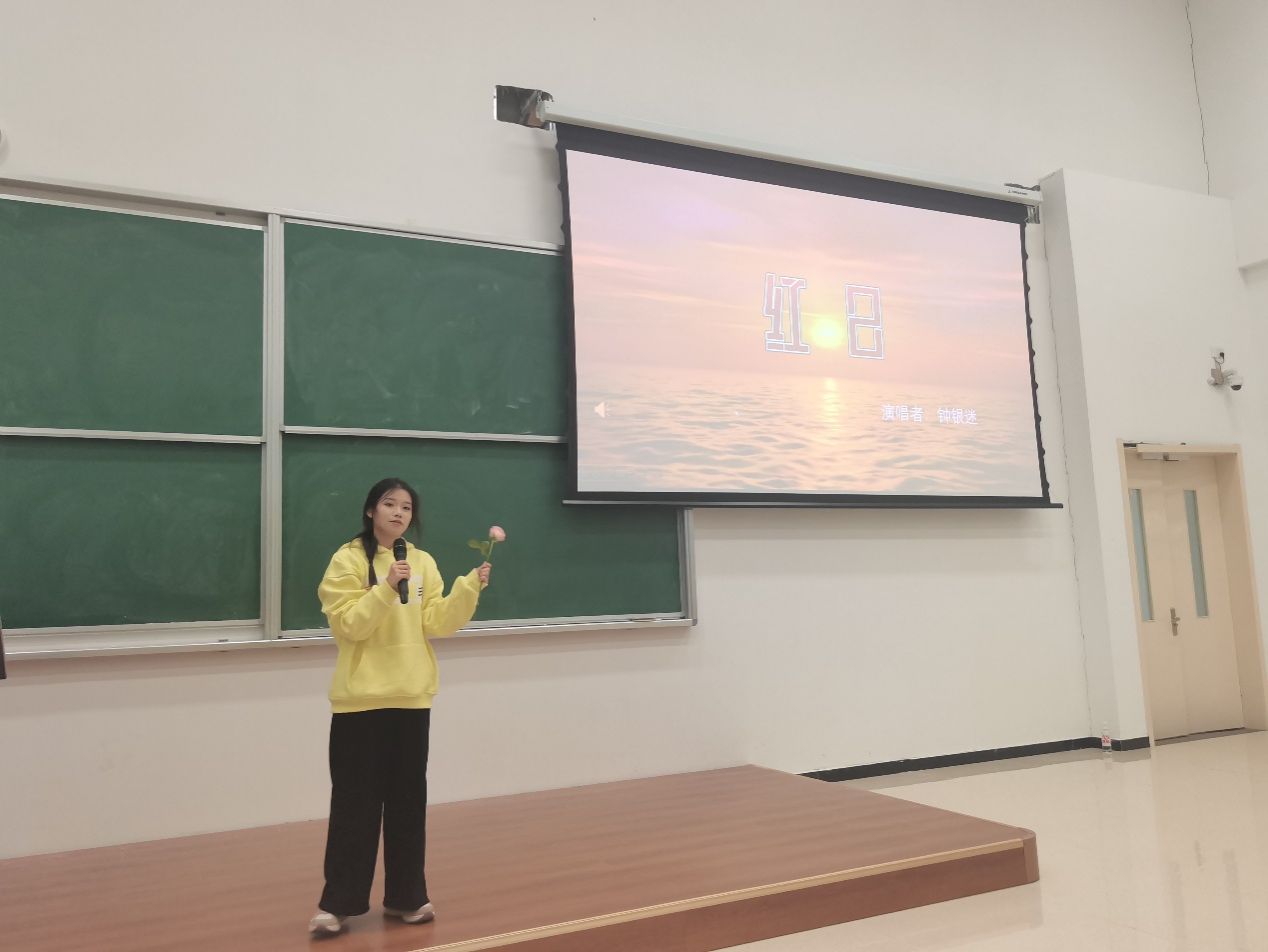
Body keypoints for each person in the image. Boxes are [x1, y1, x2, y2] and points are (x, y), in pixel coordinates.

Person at [308, 477, 491, 936]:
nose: (398, 513)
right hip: (360, 701)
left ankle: (407, 897)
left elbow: (437, 622)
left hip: (411, 695)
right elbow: (350, 625)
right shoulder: (348, 559)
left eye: (406, 507)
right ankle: (338, 904)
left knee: (408, 803)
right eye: (389, 504)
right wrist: (387, 586)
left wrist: (469, 589)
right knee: (355, 805)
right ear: (371, 510)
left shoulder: (422, 562)